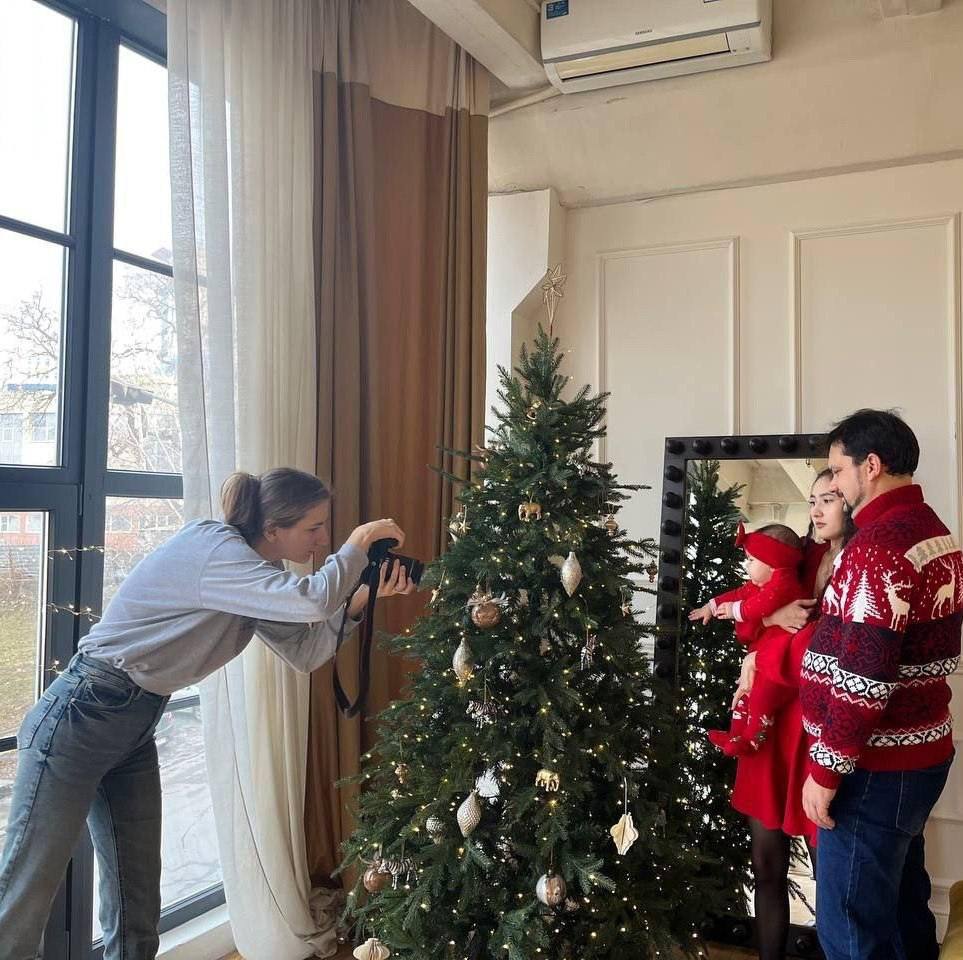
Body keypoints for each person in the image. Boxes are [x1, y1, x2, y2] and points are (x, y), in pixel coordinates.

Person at [0, 468, 416, 960]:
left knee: (136, 898)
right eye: (314, 527)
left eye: (327, 528)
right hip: (82, 714)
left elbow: (305, 652)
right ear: (273, 528)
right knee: (26, 890)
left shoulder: (257, 578)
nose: (324, 539)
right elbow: (312, 601)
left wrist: (362, 599)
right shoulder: (215, 549)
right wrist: (360, 542)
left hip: (134, 723)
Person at [799, 409, 962, 960]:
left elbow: (863, 679)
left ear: (871, 466)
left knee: (850, 932)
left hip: (874, 768)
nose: (835, 486)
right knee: (900, 915)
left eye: (838, 472)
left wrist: (824, 771)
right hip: (918, 757)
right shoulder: (933, 531)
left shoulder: (878, 547)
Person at [725, 468, 851, 960]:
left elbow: (835, 644)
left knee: (833, 875)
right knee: (766, 863)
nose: (817, 508)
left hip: (817, 728)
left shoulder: (864, 559)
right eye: (814, 499)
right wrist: (769, 619)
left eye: (831, 497)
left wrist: (770, 643)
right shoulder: (803, 555)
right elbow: (756, 603)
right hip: (770, 726)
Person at [689, 523, 805, 756]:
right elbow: (738, 594)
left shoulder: (784, 584)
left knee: (761, 696)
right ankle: (735, 734)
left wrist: (734, 611)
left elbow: (760, 606)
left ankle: (752, 740)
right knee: (745, 693)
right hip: (763, 655)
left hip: (779, 658)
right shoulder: (759, 585)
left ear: (772, 563)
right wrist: (711, 606)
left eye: (751, 560)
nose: (746, 565)